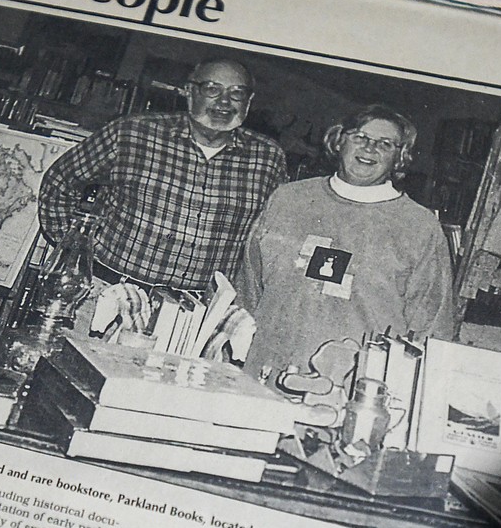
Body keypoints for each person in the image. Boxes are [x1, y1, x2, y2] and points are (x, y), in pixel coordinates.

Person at [38, 58, 287, 310]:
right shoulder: (131, 133)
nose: (224, 102)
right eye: (212, 89)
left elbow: (272, 235)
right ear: (190, 92)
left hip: (197, 313)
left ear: (248, 102)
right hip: (107, 294)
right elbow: (59, 182)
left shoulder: (268, 158)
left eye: (237, 93)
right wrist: (75, 247)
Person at [235, 104, 456, 377]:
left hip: (357, 389)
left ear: (400, 158)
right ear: (339, 141)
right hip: (266, 373)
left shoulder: (419, 227)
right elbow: (247, 289)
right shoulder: (288, 199)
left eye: (385, 144)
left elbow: (433, 327)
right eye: (360, 137)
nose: (370, 148)